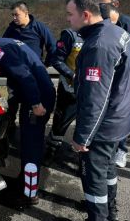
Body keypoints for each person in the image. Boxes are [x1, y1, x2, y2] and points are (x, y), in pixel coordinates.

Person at [67, 0, 130, 221]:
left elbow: (96, 98)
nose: (68, 19)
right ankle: (111, 213)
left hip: (103, 127)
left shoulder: (98, 46)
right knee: (107, 170)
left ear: (85, 14)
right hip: (119, 120)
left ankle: (99, 217)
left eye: (70, 14)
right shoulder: (116, 32)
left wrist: (83, 137)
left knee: (93, 179)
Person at [0, 28, 56, 207]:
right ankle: (25, 180)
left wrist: (35, 103)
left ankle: (29, 195)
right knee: (32, 142)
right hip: (41, 93)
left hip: (37, 98)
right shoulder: (7, 42)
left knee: (31, 146)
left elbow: (24, 75)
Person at [98, 0, 130, 168]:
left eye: (103, 4)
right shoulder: (100, 23)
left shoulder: (128, 23)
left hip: (124, 79)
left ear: (115, 4)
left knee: (122, 113)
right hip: (106, 79)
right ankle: (104, 148)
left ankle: (122, 150)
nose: (99, 8)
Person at [2, 1, 57, 128]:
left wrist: (45, 65)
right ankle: (10, 129)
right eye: (12, 15)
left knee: (30, 103)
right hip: (15, 75)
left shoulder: (39, 27)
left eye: (17, 15)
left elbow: (52, 47)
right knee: (12, 103)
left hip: (33, 75)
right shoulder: (11, 29)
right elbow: (3, 47)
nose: (14, 18)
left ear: (26, 13)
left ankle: (28, 130)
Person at [44, 28, 83, 164]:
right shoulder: (70, 35)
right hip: (69, 88)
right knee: (60, 122)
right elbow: (57, 60)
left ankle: (82, 159)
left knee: (85, 125)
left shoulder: (101, 33)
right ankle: (51, 149)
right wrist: (73, 77)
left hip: (92, 91)